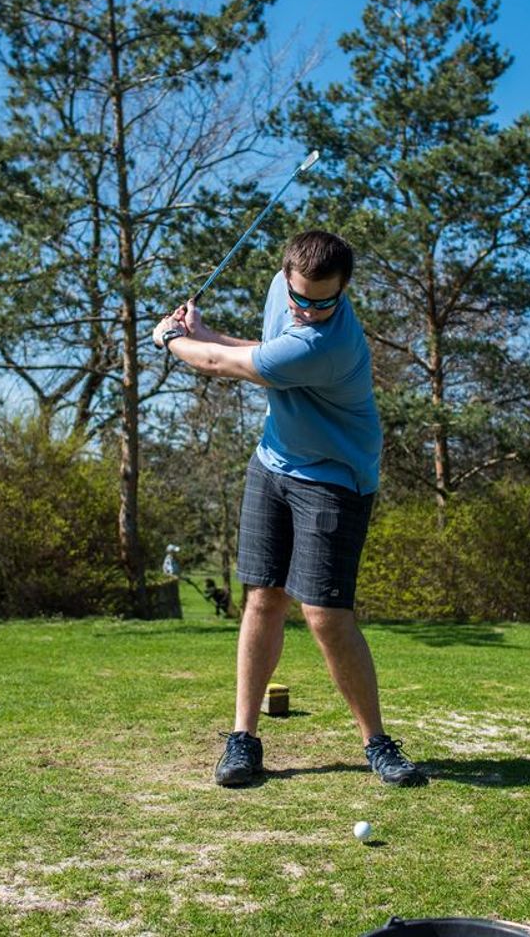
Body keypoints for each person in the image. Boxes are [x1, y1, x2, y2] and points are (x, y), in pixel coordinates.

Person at [152, 230, 425, 788]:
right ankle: (243, 739)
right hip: (273, 463)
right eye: (300, 297)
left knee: (325, 614)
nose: (308, 310)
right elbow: (261, 350)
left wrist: (172, 339)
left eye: (323, 302)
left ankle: (377, 742)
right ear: (286, 277)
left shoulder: (329, 344)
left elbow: (224, 365)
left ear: (343, 290)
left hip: (334, 477)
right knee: (262, 597)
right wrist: (205, 332)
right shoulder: (285, 293)